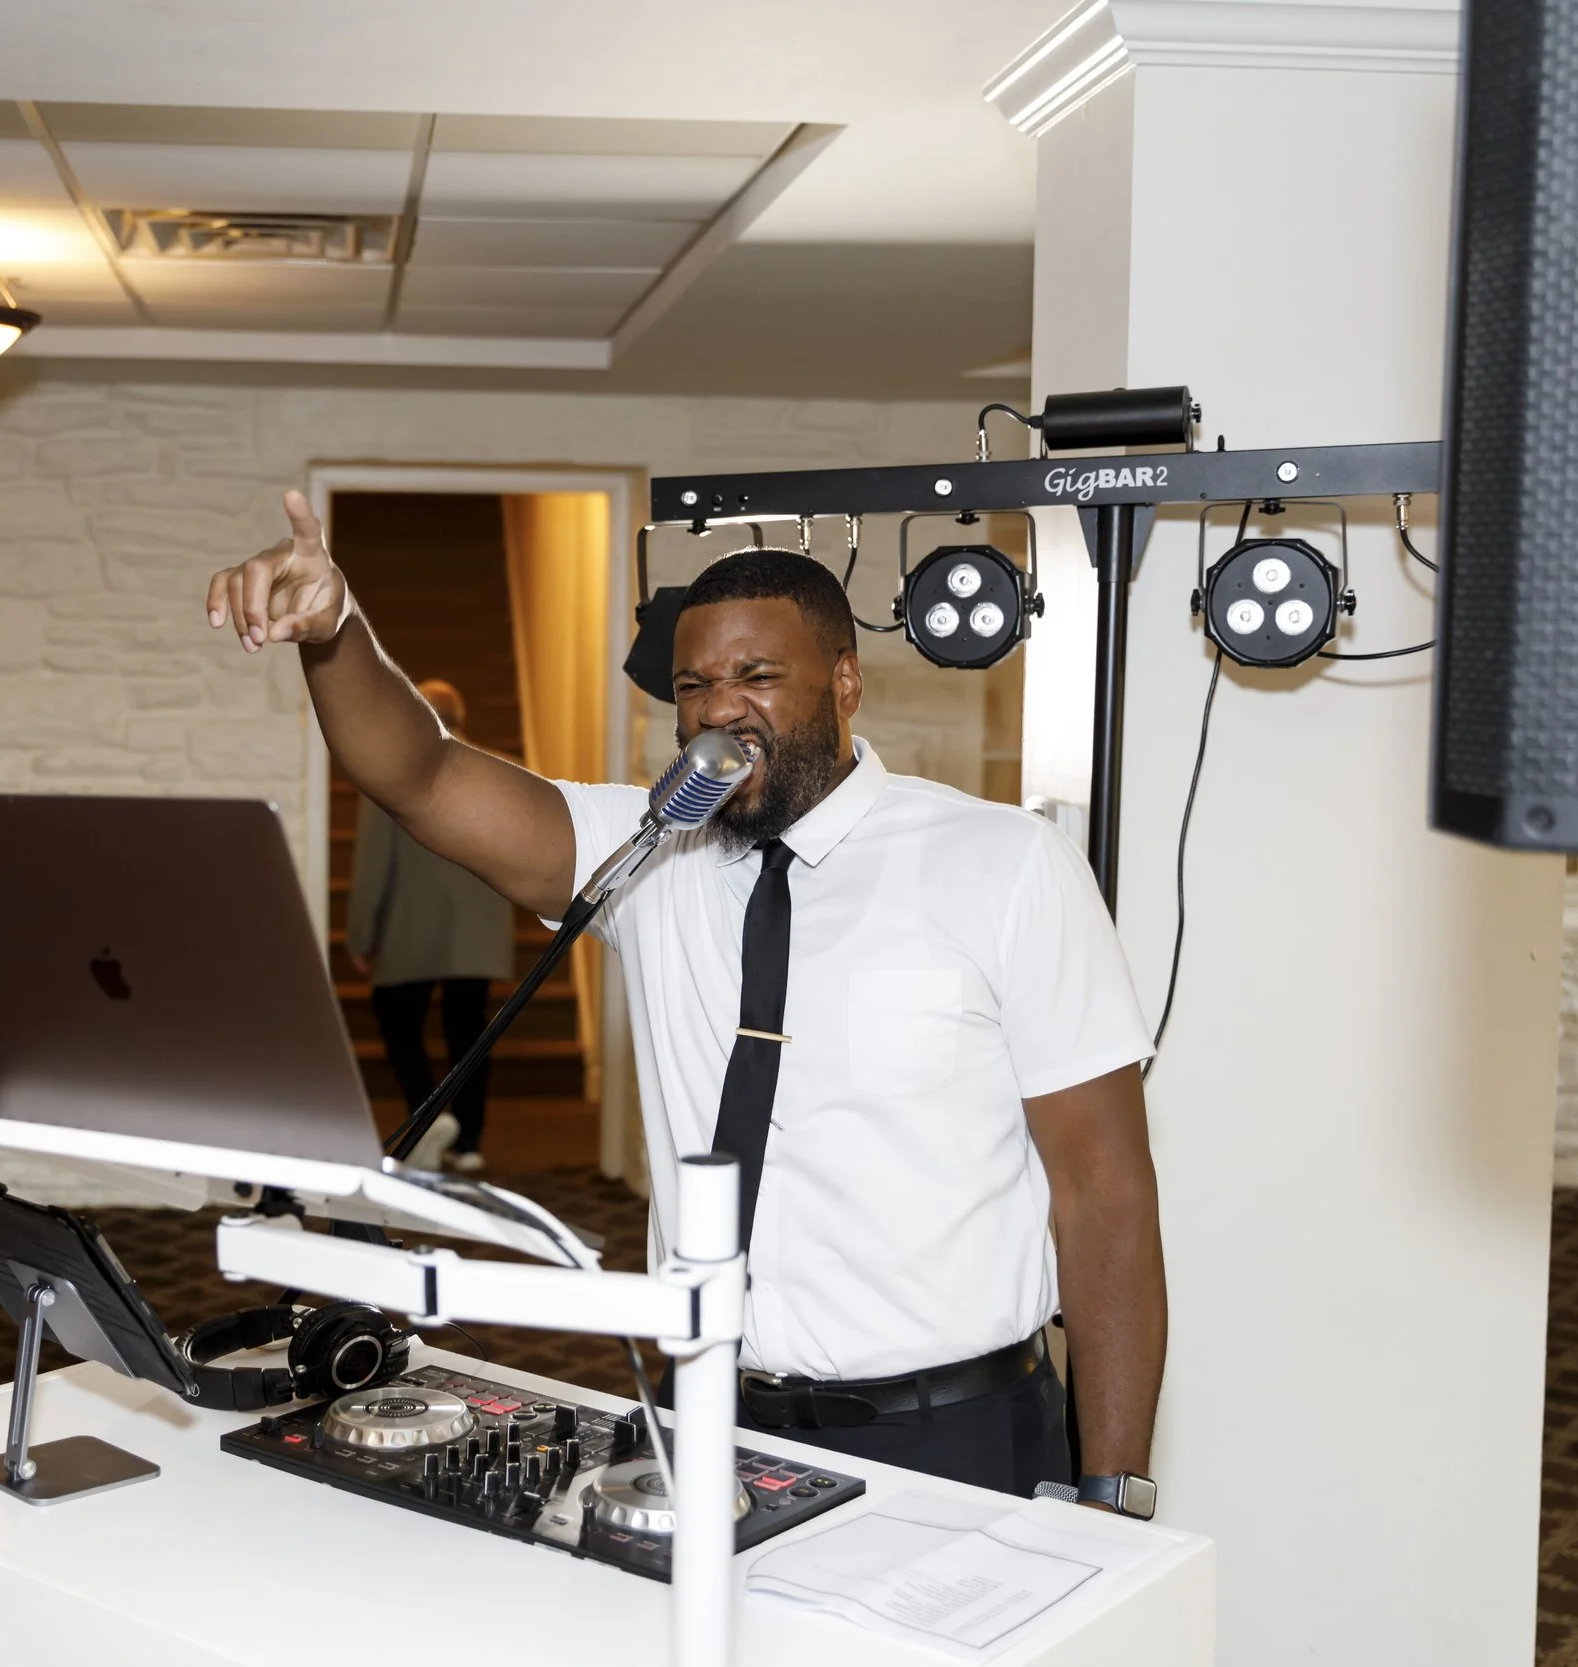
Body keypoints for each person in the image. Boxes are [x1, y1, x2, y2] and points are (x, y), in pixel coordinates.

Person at [205, 491, 1167, 1510]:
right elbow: (422, 774)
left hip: (953, 1429)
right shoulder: (644, 851)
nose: (718, 708)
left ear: (844, 684)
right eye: (694, 684)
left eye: (757, 676)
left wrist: (1111, 1490)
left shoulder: (1005, 863)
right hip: (703, 1418)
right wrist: (336, 632)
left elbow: (1105, 1189)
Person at [346, 679, 515, 1173]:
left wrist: (362, 934)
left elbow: (374, 864)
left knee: (397, 1022)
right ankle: (470, 1143)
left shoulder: (388, 769)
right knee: (469, 1034)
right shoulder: (503, 770)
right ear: (461, 715)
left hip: (408, 927)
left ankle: (426, 1113)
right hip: (477, 931)